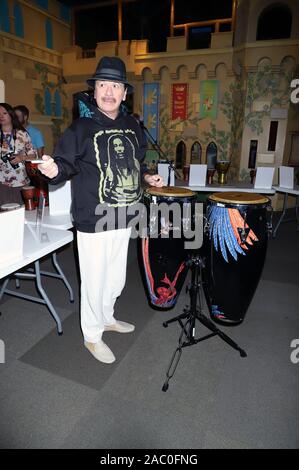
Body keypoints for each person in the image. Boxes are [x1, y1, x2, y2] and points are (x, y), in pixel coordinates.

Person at [38, 56, 164, 364]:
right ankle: (92, 335)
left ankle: (107, 317)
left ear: (124, 93)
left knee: (115, 278)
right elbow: (65, 165)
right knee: (94, 279)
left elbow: (137, 163)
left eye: (116, 86)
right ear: (95, 92)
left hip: (124, 214)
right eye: (103, 85)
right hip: (93, 218)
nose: (109, 91)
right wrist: (53, 170)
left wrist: (148, 176)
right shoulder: (79, 129)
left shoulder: (133, 126)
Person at [0, 102, 34, 205]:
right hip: (2, 183)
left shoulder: (22, 134)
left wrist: (21, 157)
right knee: (5, 214)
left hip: (21, 182)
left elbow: (33, 155)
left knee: (21, 214)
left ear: (11, 115)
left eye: (4, 113)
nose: (1, 116)